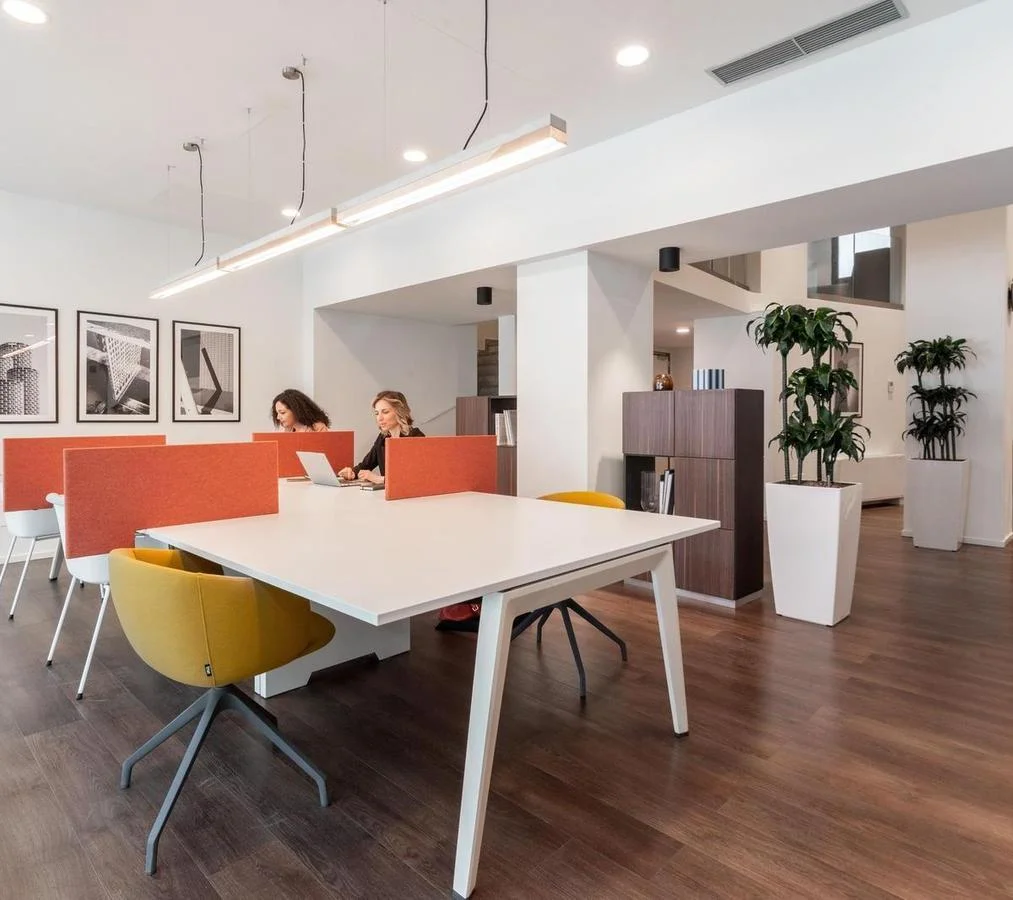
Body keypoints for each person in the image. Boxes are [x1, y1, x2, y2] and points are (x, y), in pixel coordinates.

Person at [337, 390, 424, 485]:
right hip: (388, 494)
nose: (379, 418)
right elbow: (365, 465)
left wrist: (379, 479)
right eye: (377, 413)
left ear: (399, 412)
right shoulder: (383, 438)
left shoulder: (415, 436)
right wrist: (352, 472)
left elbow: (414, 477)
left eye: (385, 412)